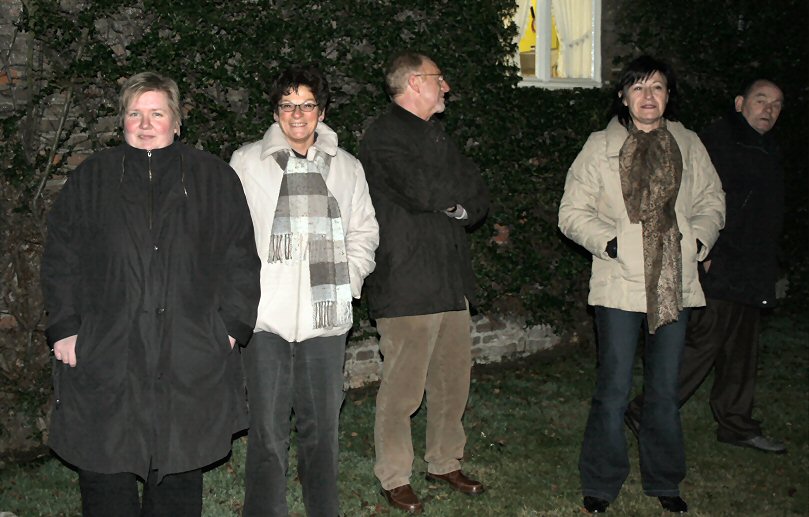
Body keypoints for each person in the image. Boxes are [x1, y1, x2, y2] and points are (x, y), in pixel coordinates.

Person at [41, 71, 260, 516]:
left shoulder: (213, 178)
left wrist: (229, 328)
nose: (145, 124)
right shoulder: (92, 179)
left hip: (187, 349)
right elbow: (61, 257)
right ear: (121, 121)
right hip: (107, 349)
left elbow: (240, 258)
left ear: (176, 122)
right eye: (135, 114)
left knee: (177, 467)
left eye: (157, 113)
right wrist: (64, 327)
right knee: (105, 464)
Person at [558, 55, 725, 514]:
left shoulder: (688, 143)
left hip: (674, 281)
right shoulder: (600, 146)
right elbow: (571, 212)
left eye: (657, 87)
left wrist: (698, 241)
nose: (648, 96)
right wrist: (611, 243)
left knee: (665, 390)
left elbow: (712, 200)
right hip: (619, 283)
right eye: (638, 87)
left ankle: (664, 480)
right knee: (613, 389)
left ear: (668, 96)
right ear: (623, 96)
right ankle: (601, 481)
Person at [230, 64, 379, 517]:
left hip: (325, 321)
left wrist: (347, 282)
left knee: (323, 433)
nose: (298, 114)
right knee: (267, 434)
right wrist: (241, 300)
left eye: (307, 104)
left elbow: (364, 232)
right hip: (266, 321)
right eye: (288, 105)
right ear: (275, 112)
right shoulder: (247, 163)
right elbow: (227, 237)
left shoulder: (347, 167)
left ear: (322, 111)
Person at [358, 51, 490, 514]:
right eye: (439, 78)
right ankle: (395, 475)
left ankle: (444, 461)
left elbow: (476, 192)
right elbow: (423, 190)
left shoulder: (436, 134)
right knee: (403, 388)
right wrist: (452, 197)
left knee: (452, 381)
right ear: (415, 83)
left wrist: (456, 202)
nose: (446, 86)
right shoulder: (383, 136)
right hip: (407, 281)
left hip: (450, 279)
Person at [626, 79, 787, 454]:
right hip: (720, 263)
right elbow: (698, 200)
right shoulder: (717, 142)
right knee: (702, 345)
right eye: (761, 100)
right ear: (740, 102)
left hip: (753, 268)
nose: (768, 109)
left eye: (776, 104)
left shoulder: (768, 148)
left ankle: (736, 424)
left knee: (741, 352)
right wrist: (706, 252)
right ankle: (644, 411)